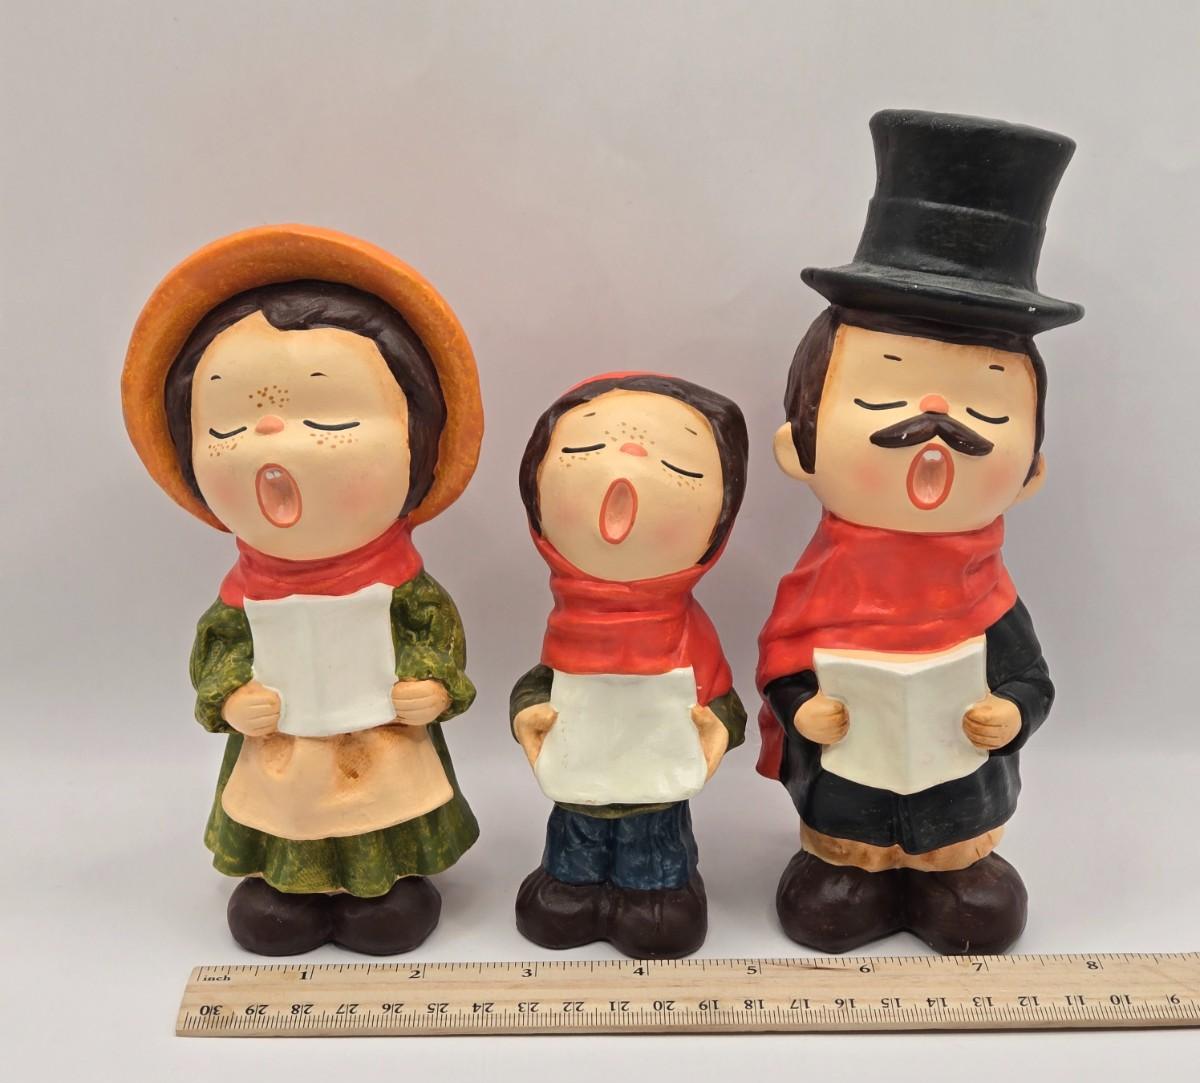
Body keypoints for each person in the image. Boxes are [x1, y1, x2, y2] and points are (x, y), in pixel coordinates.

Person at [757, 111, 1084, 955]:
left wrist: (1009, 713)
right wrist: (805, 710)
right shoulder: (821, 587)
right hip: (850, 786)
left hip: (956, 788)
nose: (937, 425)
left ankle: (949, 871)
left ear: (1031, 470)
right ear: (799, 447)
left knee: (978, 908)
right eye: (881, 393)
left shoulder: (989, 598)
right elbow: (786, 667)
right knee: (829, 901)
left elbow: (1031, 677)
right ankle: (850, 867)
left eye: (987, 409)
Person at [122, 225, 484, 955]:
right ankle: (288, 886)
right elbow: (219, 649)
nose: (273, 435)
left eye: (328, 416)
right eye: (228, 423)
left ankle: (382, 886)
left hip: (377, 734)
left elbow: (434, 635)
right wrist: (230, 696)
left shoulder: (403, 586)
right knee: (287, 812)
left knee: (379, 810)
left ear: (418, 442)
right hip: (283, 740)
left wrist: (434, 683)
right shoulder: (243, 596)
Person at [511, 374, 748, 958]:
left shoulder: (688, 636)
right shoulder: (566, 626)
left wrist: (716, 729)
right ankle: (571, 882)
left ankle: (656, 891)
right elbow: (541, 684)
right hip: (579, 776)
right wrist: (528, 715)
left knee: (657, 882)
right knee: (571, 855)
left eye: (681, 467)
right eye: (588, 447)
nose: (631, 458)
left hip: (656, 784)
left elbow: (722, 701)